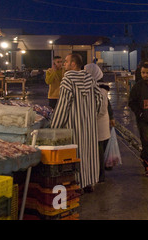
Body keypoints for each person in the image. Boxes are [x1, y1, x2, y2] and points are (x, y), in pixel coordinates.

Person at [51, 53, 102, 192]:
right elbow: (99, 99)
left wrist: (54, 126)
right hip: (89, 126)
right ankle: (89, 182)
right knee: (89, 152)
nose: (64, 64)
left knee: (76, 154)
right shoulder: (90, 79)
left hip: (73, 126)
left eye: (66, 61)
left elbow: (63, 105)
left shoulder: (67, 80)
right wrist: (92, 114)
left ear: (73, 64)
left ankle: (77, 183)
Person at [84, 63, 115, 183]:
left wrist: (90, 117)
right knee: (98, 151)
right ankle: (98, 174)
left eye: (86, 72)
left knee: (99, 152)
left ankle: (100, 176)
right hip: (98, 123)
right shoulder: (94, 86)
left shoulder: (101, 88)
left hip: (99, 124)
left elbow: (102, 109)